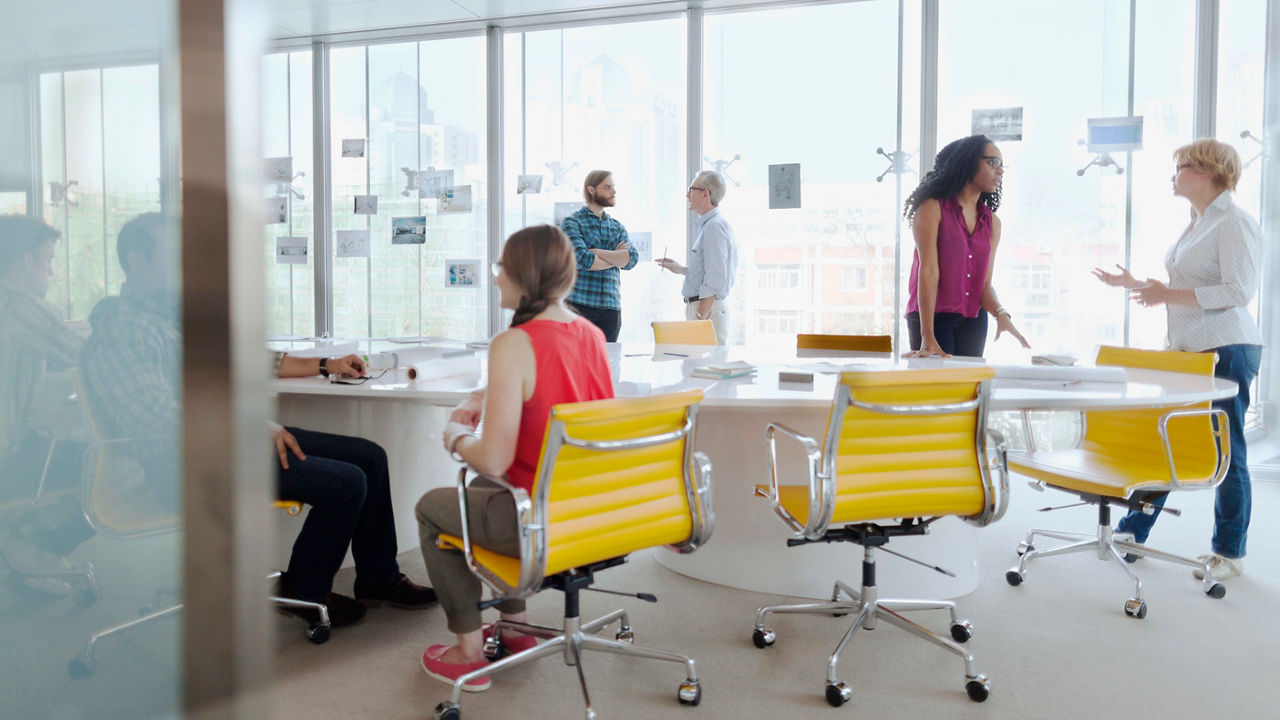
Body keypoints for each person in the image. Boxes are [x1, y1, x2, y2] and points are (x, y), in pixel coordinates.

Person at [80, 212, 435, 628]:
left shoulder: (174, 317)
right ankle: (304, 591)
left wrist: (325, 363)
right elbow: (153, 414)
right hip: (188, 463)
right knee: (346, 482)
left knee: (368, 456)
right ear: (136, 260)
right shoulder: (125, 326)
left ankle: (377, 577)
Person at [415, 224, 613, 691]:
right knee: (482, 494)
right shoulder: (590, 334)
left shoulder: (514, 344)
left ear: (523, 275)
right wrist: (489, 393)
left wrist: (455, 436)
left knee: (432, 508)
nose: (498, 277)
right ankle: (517, 630)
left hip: (539, 521)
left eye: (502, 267)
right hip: (594, 513)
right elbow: (558, 392)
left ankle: (466, 653)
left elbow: (494, 459)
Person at [1093, 139, 1262, 582]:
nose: (1174, 175)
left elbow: (1238, 291)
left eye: (1181, 167)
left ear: (1206, 172)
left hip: (1226, 348)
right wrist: (1139, 283)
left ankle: (1229, 552)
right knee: (1168, 440)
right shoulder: (1201, 222)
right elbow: (1192, 282)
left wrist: (1166, 293)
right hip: (1191, 351)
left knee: (1225, 451)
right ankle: (1134, 532)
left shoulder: (1234, 223)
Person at [0, 215, 94, 585]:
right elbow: (82, 352)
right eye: (49, 260)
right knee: (100, 464)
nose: (51, 273)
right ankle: (29, 550)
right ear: (27, 260)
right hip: (7, 450)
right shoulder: (16, 306)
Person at [902, 134, 1029, 357]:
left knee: (969, 389)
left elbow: (984, 284)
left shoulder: (992, 223)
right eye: (993, 163)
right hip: (933, 318)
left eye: (1002, 165)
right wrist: (927, 336)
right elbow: (928, 272)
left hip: (973, 320)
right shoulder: (932, 208)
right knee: (937, 390)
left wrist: (1002, 315)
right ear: (967, 162)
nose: (1000, 171)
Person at [656, 171, 739, 345]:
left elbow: (715, 279)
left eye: (691, 190)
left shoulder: (713, 227)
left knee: (704, 369)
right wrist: (681, 269)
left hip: (706, 311)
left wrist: (700, 316)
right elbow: (709, 270)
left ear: (706, 193)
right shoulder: (708, 225)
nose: (687, 195)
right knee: (697, 368)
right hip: (704, 309)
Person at [561, 170, 638, 342]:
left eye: (613, 187)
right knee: (578, 365)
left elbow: (631, 259)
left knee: (608, 365)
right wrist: (615, 258)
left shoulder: (617, 227)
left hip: (611, 310)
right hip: (579, 307)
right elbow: (583, 259)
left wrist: (597, 252)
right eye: (607, 187)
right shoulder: (572, 223)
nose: (614, 192)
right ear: (591, 189)